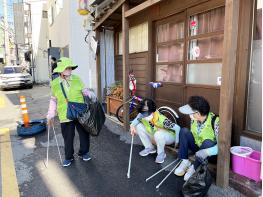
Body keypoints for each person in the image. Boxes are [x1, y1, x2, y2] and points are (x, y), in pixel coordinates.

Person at [46, 57, 96, 167]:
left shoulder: (77, 79)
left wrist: (89, 93)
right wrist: (51, 114)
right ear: (60, 70)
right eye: (66, 68)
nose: (69, 70)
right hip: (64, 114)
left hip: (80, 113)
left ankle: (84, 153)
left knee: (84, 134)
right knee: (68, 137)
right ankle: (69, 157)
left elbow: (84, 91)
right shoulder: (55, 83)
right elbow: (53, 99)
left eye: (70, 68)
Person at [174, 96, 219, 181]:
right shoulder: (194, 119)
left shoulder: (216, 122)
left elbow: (222, 146)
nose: (189, 115)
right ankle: (185, 161)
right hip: (198, 148)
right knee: (184, 131)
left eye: (191, 113)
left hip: (209, 153)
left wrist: (207, 151)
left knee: (208, 142)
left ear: (198, 113)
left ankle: (194, 167)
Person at [130, 98, 180, 164]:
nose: (143, 116)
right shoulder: (142, 114)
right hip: (154, 133)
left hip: (168, 136)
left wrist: (177, 142)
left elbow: (177, 128)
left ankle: (161, 154)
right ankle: (149, 148)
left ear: (152, 111)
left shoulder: (161, 119)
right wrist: (132, 127)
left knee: (158, 134)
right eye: (142, 112)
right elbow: (134, 122)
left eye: (146, 112)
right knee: (138, 126)